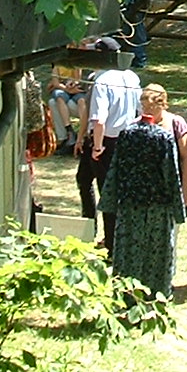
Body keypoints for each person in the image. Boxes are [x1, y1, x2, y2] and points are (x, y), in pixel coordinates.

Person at [100, 88, 187, 297]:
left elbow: (114, 171)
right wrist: (178, 208)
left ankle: (127, 295)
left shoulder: (126, 134)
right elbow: (171, 174)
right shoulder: (163, 138)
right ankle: (156, 296)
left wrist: (109, 203)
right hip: (158, 205)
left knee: (129, 250)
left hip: (130, 203)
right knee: (156, 253)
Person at [77, 64, 141, 252]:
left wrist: (97, 147)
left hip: (105, 140)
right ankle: (89, 228)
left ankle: (111, 243)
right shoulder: (131, 76)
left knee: (107, 191)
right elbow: (139, 108)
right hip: (123, 138)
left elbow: (99, 119)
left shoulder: (102, 81)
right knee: (84, 179)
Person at [47, 69, 90, 154]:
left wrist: (73, 85)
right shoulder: (57, 66)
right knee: (53, 102)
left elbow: (78, 79)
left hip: (79, 94)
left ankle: (84, 136)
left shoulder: (78, 65)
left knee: (82, 101)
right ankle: (67, 136)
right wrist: (67, 89)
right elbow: (55, 83)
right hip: (66, 91)